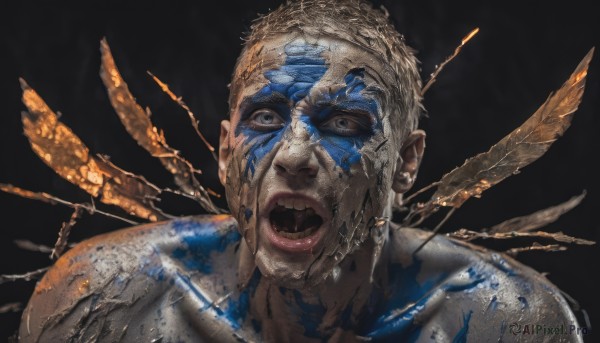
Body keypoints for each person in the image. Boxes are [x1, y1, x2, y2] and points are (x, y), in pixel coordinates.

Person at [16, 0, 585, 342]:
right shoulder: (102, 304)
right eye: (264, 117)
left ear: (405, 163)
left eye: (341, 123)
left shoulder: (505, 322)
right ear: (224, 151)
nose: (292, 155)